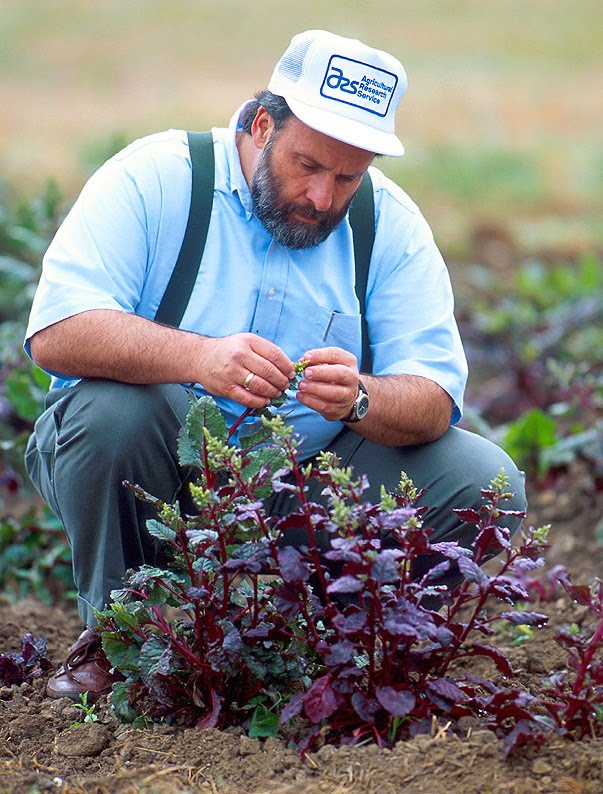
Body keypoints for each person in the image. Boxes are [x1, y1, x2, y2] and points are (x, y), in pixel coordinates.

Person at [24, 29, 526, 701]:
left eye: (347, 177)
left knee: (485, 483)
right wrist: (197, 356)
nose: (321, 197)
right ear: (261, 125)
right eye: (307, 165)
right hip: (148, 480)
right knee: (115, 410)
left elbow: (434, 396)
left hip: (297, 497)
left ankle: (327, 650)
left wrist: (360, 398)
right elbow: (58, 331)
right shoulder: (156, 179)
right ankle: (117, 642)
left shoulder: (389, 228)